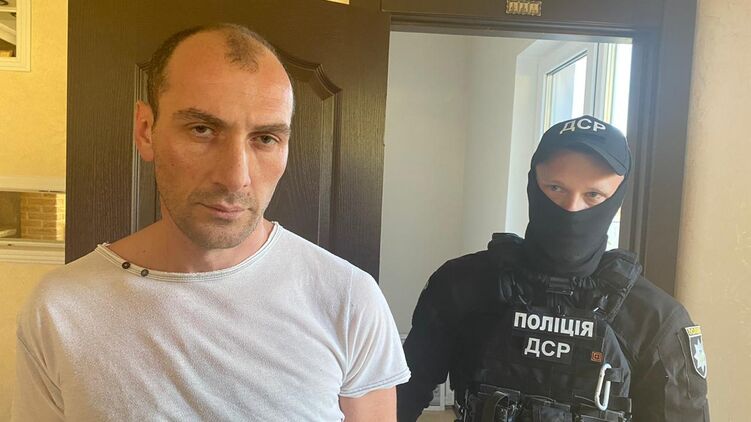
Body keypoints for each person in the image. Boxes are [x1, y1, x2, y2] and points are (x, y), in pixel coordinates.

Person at [12, 24, 409, 421]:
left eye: (265, 138)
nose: (236, 178)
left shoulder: (348, 299)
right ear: (146, 130)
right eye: (202, 130)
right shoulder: (59, 308)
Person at [397, 116, 709, 421]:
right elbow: (399, 399)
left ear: (617, 199)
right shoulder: (460, 284)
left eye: (593, 195)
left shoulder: (656, 320)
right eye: (556, 188)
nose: (571, 208)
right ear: (533, 184)